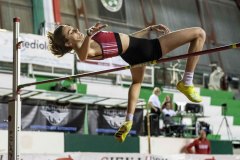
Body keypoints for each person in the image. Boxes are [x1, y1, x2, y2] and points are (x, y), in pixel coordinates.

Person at [47, 22, 206, 142]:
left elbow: (126, 40)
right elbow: (82, 56)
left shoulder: (90, 42)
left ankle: (128, 121)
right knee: (199, 33)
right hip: (145, 49)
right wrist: (89, 34)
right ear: (68, 43)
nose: (76, 30)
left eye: (73, 28)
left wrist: (148, 29)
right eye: (71, 32)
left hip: (132, 52)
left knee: (136, 83)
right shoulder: (86, 49)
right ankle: (187, 82)